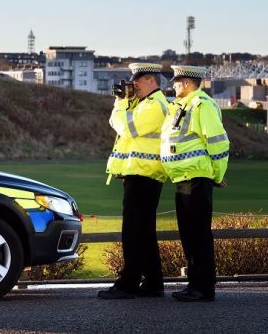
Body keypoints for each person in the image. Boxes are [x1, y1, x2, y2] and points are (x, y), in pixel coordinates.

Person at [98, 63, 169, 299]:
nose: (133, 85)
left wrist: (119, 103)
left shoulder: (155, 105)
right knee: (145, 232)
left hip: (143, 174)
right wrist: (128, 100)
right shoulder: (144, 103)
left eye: (137, 81)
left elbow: (126, 128)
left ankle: (128, 283)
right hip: (141, 173)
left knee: (133, 232)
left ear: (151, 81)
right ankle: (153, 282)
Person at [160, 65, 229, 302]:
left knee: (198, 235)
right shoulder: (182, 106)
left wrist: (216, 176)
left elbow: (219, 143)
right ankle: (194, 285)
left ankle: (203, 288)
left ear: (188, 82)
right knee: (189, 235)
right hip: (182, 179)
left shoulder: (203, 105)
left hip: (197, 179)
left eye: (176, 81)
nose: (173, 85)